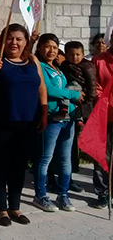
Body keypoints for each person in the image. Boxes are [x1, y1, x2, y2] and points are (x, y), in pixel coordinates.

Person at [0, 24, 47, 226]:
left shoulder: (32, 60)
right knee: (1, 165)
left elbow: (41, 86)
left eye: (18, 39)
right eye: (9, 38)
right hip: (0, 122)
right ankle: (1, 209)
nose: (14, 42)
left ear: (25, 42)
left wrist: (43, 111)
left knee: (19, 166)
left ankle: (15, 206)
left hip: (27, 122)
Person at [33, 33, 84, 213]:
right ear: (39, 48)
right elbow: (48, 89)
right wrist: (74, 95)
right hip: (52, 120)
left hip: (67, 120)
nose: (51, 50)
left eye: (54, 47)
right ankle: (40, 195)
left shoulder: (57, 68)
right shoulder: (39, 66)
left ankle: (63, 194)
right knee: (45, 159)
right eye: (47, 46)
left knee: (65, 160)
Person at [56, 41, 97, 194]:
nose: (74, 57)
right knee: (63, 147)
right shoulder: (63, 65)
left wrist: (88, 99)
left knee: (72, 146)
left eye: (78, 54)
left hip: (82, 104)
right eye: (71, 54)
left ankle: (69, 178)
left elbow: (92, 85)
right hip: (66, 106)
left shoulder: (87, 66)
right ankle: (61, 178)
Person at [90, 33, 113, 208]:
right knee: (101, 156)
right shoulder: (99, 60)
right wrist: (104, 99)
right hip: (103, 114)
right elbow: (94, 85)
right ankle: (102, 193)